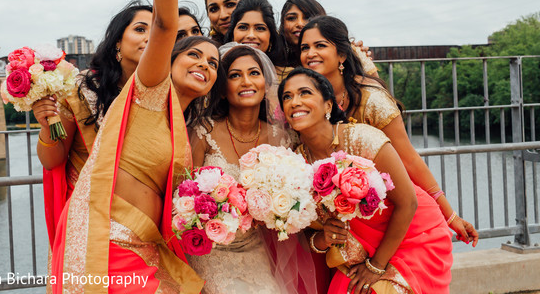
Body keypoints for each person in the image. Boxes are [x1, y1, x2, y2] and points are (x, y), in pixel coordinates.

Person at [50, 0, 229, 293]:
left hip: (148, 250)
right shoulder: (149, 91)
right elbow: (165, 25)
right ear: (168, 59)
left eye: (212, 63)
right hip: (108, 243)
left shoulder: (184, 123)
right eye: (193, 55)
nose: (204, 64)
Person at [299, 15, 479, 246]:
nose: (310, 53)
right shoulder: (306, 100)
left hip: (394, 217)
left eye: (320, 45)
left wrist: (451, 215)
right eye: (305, 48)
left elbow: (410, 159)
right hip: (349, 226)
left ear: (342, 55)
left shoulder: (372, 99)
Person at [279, 67, 453, 294]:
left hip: (415, 234)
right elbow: (300, 236)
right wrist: (322, 239)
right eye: (287, 97)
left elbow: (409, 202)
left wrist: (377, 266)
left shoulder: (362, 138)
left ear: (328, 105)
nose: (295, 102)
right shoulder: (295, 162)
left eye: (305, 93)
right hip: (360, 250)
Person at [188, 43, 316, 294]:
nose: (246, 81)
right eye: (235, 75)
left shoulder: (283, 138)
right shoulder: (203, 131)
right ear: (222, 89)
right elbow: (182, 193)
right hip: (208, 249)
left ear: (266, 84)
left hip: (256, 249)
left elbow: (295, 197)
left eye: (254, 73)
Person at [31, 0, 153, 247]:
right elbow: (51, 160)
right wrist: (46, 126)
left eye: (157, 31)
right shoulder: (81, 89)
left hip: (148, 220)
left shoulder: (164, 92)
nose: (150, 37)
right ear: (118, 41)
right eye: (140, 29)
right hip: (93, 221)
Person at [222, 0, 288, 81]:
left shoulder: (289, 77)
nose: (251, 35)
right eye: (243, 27)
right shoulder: (218, 74)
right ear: (232, 35)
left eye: (260, 28)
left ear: (271, 38)